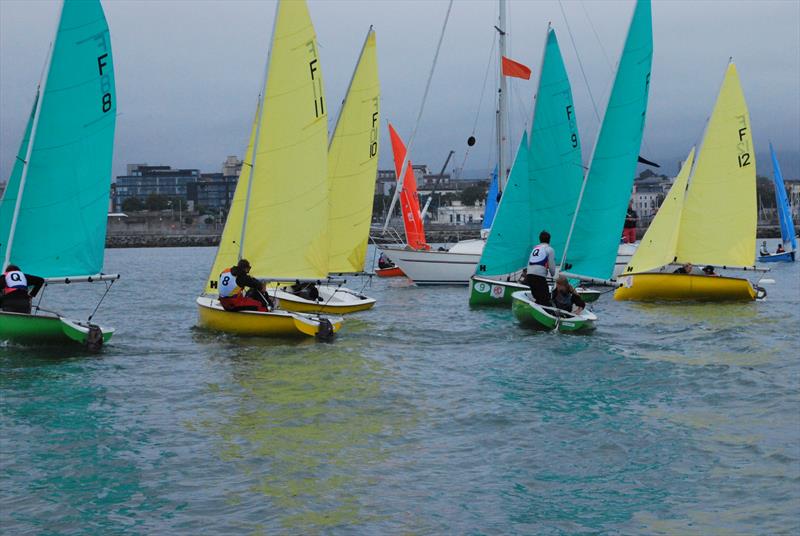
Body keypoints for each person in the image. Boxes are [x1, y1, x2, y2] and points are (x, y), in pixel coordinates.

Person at [526, 230, 556, 306]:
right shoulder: (549, 249)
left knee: (538, 298)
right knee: (546, 299)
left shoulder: (535, 248)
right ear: (549, 239)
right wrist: (553, 274)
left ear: (540, 239)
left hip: (529, 276)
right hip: (539, 277)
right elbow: (552, 267)